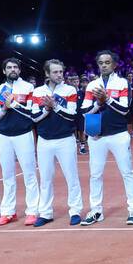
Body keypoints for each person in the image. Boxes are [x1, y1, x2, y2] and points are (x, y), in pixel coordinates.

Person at [80, 51, 133, 226]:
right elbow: (84, 112)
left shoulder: (122, 83)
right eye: (101, 62)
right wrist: (98, 103)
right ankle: (96, 210)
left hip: (119, 135)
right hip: (97, 136)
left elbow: (124, 110)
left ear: (114, 65)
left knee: (127, 173)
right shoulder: (92, 85)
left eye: (107, 62)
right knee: (95, 175)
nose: (104, 65)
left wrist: (106, 99)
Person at [0, 56, 40, 226]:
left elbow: (32, 114)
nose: (12, 70)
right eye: (9, 67)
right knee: (7, 175)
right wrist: (5, 107)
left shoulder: (28, 88)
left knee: (29, 173)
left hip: (23, 134)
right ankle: (8, 212)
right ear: (4, 71)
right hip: (3, 136)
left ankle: (32, 211)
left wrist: (15, 104)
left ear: (19, 70)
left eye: (15, 67)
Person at [32, 59, 83, 226]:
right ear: (47, 74)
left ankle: (75, 211)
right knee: (45, 178)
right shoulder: (38, 92)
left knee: (72, 177)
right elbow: (34, 117)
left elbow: (71, 115)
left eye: (61, 72)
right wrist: (46, 109)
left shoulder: (69, 90)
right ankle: (45, 213)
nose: (59, 75)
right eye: (55, 72)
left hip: (65, 139)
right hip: (44, 141)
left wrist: (55, 106)